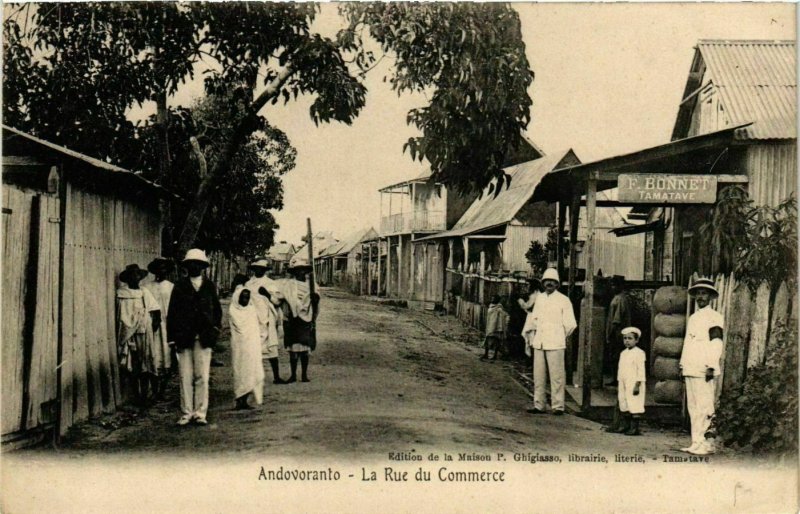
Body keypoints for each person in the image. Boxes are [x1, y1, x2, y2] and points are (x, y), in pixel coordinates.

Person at [167, 249, 222, 426]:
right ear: (187, 266)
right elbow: (172, 313)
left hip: (204, 336)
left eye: (197, 264)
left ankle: (200, 413)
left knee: (202, 376)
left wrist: (214, 330)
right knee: (185, 376)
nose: (194, 267)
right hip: (184, 336)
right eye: (191, 264)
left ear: (203, 266)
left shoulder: (209, 286)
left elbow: (217, 312)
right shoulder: (180, 286)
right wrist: (172, 337)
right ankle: (186, 412)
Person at [680, 277, 724, 455]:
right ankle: (696, 441)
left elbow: (716, 342)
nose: (700, 297)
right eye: (698, 293)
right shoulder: (693, 317)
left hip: (704, 367)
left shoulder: (715, 317)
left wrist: (711, 365)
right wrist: (683, 364)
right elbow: (688, 343)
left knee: (705, 406)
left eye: (704, 293)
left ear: (711, 296)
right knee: (693, 406)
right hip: (691, 366)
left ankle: (708, 443)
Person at [526, 268, 576, 415]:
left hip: (556, 343)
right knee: (538, 376)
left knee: (557, 376)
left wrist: (559, 334)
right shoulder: (540, 298)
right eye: (547, 281)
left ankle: (558, 406)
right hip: (540, 342)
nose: (549, 284)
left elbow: (571, 324)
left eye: (553, 282)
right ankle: (539, 405)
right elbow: (534, 319)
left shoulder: (563, 300)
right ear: (543, 283)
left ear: (557, 284)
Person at [116, 263, 161, 407]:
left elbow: (155, 309)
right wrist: (130, 326)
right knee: (134, 364)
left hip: (144, 331)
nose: (135, 278)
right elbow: (121, 315)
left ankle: (149, 394)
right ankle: (136, 396)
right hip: (130, 333)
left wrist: (153, 324)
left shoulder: (144, 292)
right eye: (132, 275)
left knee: (148, 361)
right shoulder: (122, 294)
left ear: (140, 278)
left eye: (137, 275)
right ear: (127, 278)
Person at [245, 258, 286, 384]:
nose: (259, 271)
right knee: (252, 348)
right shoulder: (248, 284)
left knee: (271, 347)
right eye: (257, 268)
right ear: (253, 270)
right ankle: (252, 378)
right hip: (252, 318)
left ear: (264, 270)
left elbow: (278, 300)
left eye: (261, 269)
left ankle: (276, 376)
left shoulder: (270, 283)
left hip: (267, 318)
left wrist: (267, 295)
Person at [282, 255, 320, 383]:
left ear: (306, 271)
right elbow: (286, 300)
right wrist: (287, 315)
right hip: (293, 318)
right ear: (295, 271)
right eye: (298, 270)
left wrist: (315, 299)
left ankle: (304, 375)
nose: (301, 272)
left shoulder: (312, 285)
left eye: (303, 269)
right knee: (293, 348)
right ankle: (293, 375)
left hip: (306, 318)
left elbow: (316, 301)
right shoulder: (289, 285)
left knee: (305, 348)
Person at [141, 257, 175, 398]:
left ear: (167, 270)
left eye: (164, 268)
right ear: (154, 271)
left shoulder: (171, 286)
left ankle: (162, 389)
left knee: (166, 354)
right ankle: (153, 389)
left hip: (167, 324)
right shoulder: (147, 287)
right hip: (151, 325)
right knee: (152, 354)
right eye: (158, 268)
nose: (161, 271)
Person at [229, 286, 265, 410]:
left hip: (252, 346)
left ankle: (245, 400)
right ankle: (239, 399)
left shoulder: (251, 309)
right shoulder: (233, 310)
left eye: (247, 297)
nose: (245, 300)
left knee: (251, 371)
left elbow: (256, 327)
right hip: (239, 346)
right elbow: (239, 328)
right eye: (243, 297)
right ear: (237, 297)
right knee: (240, 371)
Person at [606, 327, 646, 436]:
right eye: (625, 338)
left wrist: (637, 384)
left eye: (630, 338)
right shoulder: (623, 353)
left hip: (634, 383)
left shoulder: (639, 353)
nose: (627, 341)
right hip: (624, 382)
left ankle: (634, 428)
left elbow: (641, 370)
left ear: (636, 340)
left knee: (634, 403)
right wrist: (620, 382)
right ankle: (625, 425)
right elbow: (621, 369)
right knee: (624, 402)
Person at [604, 276, 632, 386]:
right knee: (615, 357)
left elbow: (617, 320)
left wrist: (612, 334)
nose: (612, 287)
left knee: (617, 357)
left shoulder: (620, 299)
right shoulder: (618, 298)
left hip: (618, 333)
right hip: (618, 332)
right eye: (612, 285)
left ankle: (618, 379)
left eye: (614, 285)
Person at [518, 278, 541, 358]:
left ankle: (532, 361)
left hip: (533, 319)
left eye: (528, 285)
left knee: (531, 339)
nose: (527, 287)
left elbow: (527, 306)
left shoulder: (534, 295)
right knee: (531, 339)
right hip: (534, 318)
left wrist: (520, 301)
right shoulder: (538, 294)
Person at [481, 295, 508, 361]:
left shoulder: (499, 309)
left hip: (496, 328)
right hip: (490, 326)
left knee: (496, 341)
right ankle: (486, 354)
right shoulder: (491, 306)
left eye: (494, 299)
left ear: (497, 300)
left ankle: (495, 355)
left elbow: (502, 318)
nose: (492, 300)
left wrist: (499, 327)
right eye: (492, 298)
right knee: (487, 340)